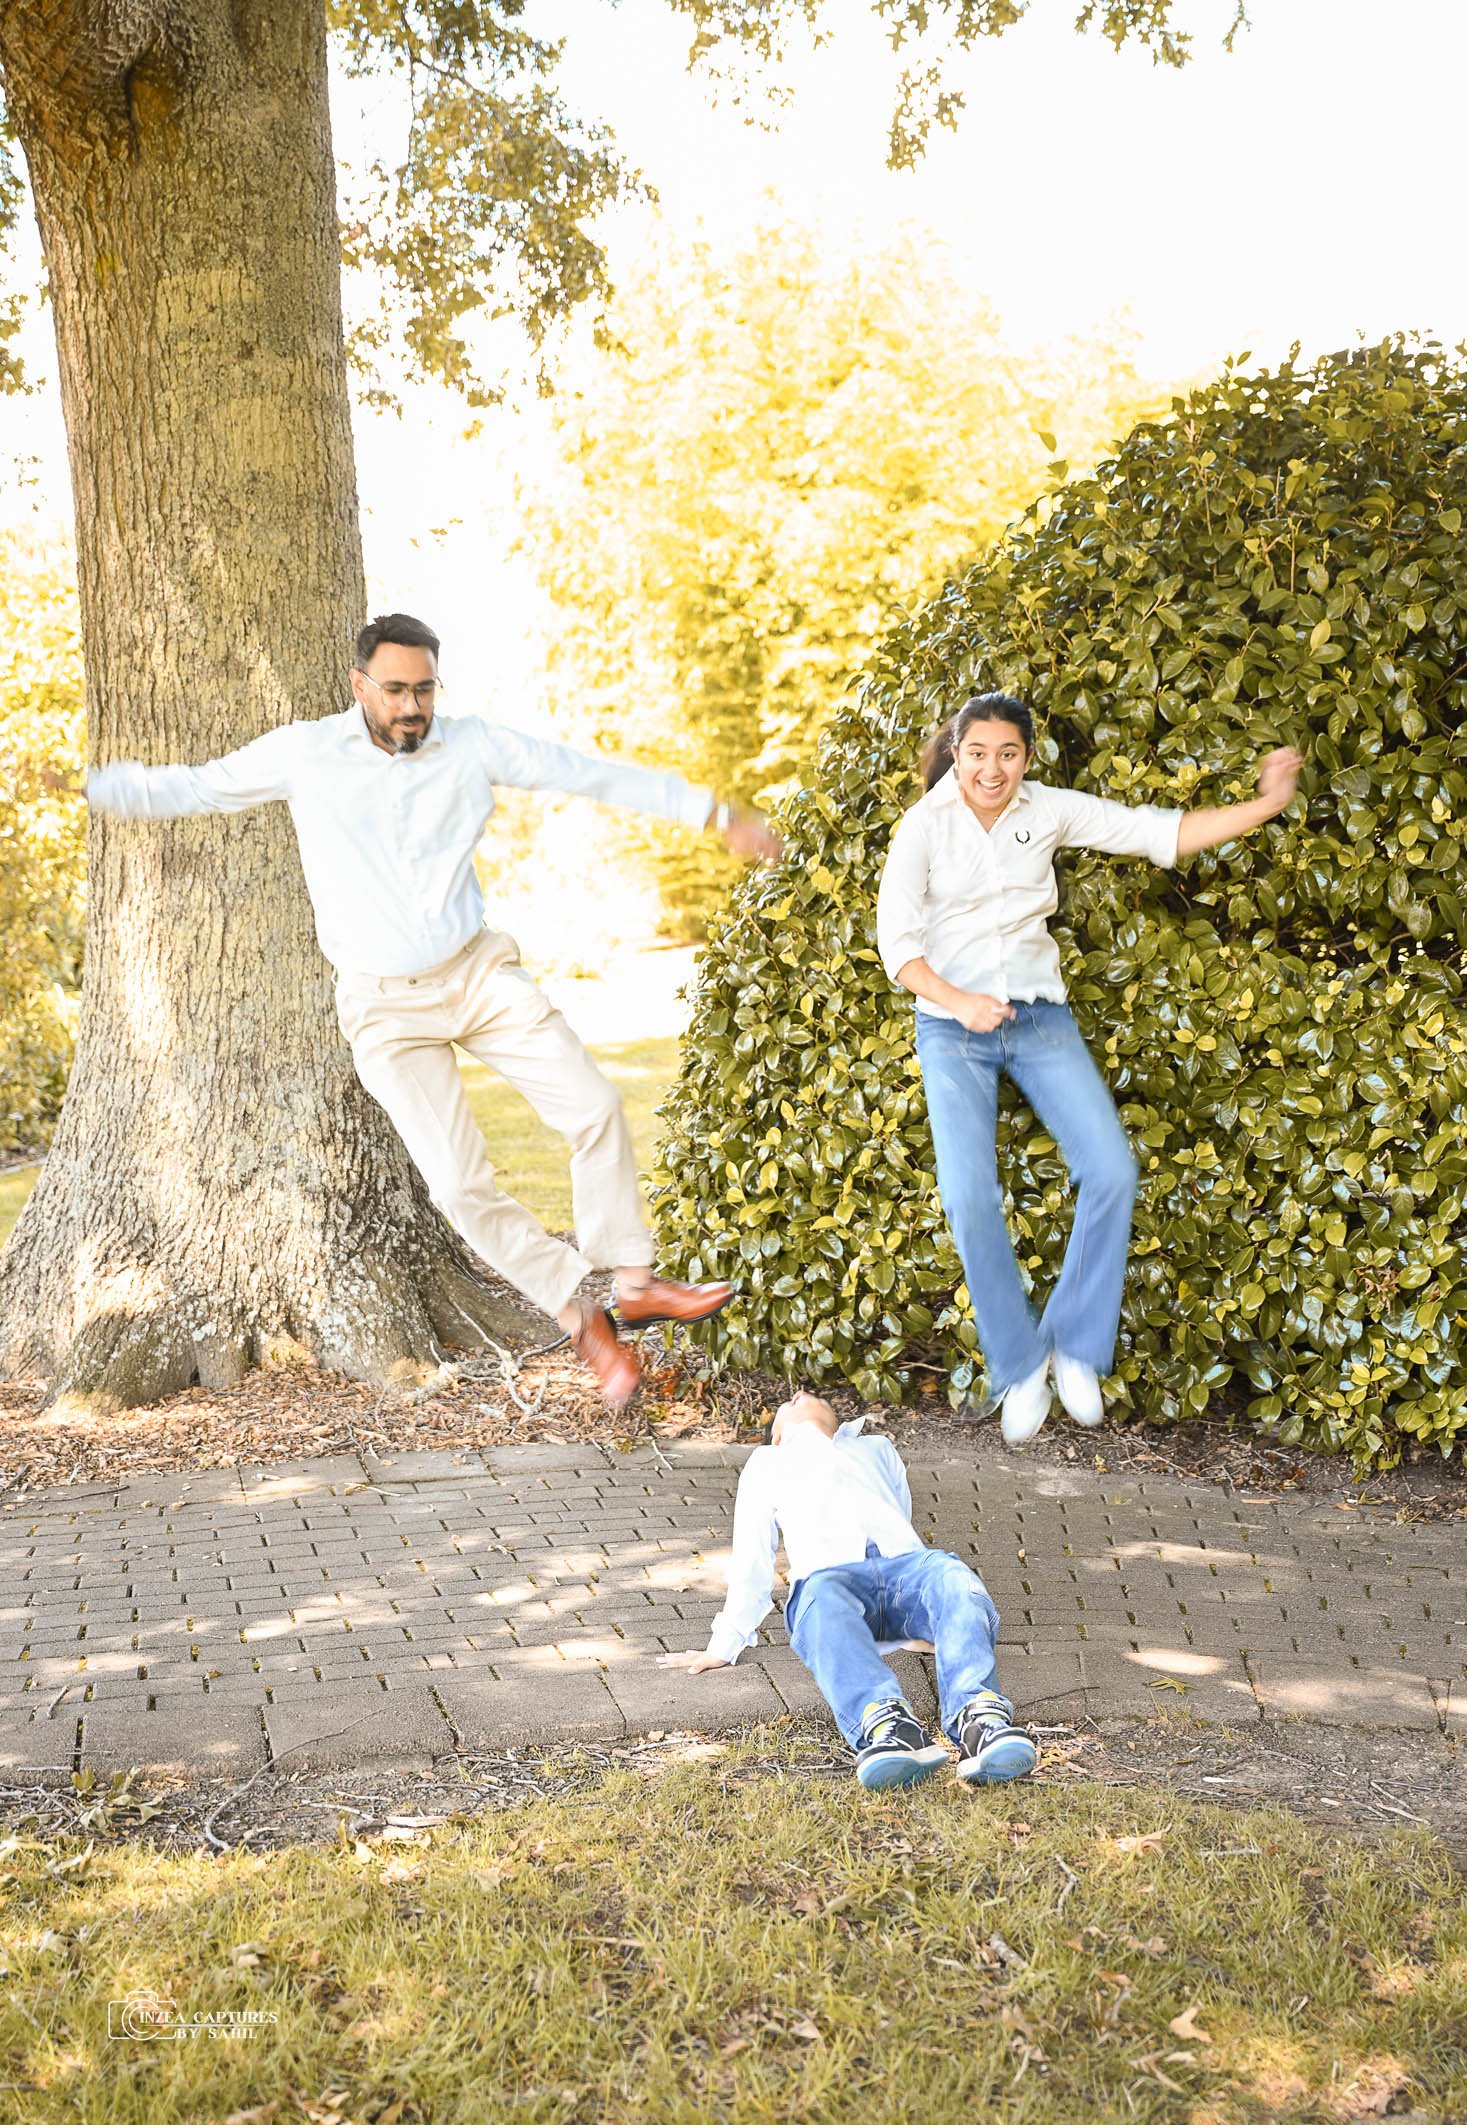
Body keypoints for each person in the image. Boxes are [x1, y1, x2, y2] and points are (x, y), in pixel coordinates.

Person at [86, 611, 781, 1407]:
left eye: (423, 689)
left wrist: (715, 815)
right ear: (359, 687)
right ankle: (579, 1314)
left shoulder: (473, 744)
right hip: (384, 1008)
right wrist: (106, 785)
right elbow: (200, 786)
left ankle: (633, 1279)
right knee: (458, 1186)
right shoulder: (306, 752)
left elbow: (584, 772)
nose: (411, 706)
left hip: (476, 974)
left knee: (592, 1104)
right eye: (394, 690)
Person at [876, 692, 1302, 1447]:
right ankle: (1017, 1363)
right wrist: (956, 1001)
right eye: (976, 752)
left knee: (1110, 1170)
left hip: (1039, 1015)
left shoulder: (1047, 808)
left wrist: (1266, 803)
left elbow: (1154, 831)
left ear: (1026, 759)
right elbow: (896, 945)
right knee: (968, 1194)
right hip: (952, 1027)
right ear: (955, 752)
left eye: (1007, 753)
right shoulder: (923, 826)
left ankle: (1073, 1345)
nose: (991, 768)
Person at [659, 1392, 1036, 1790]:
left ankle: (981, 1722)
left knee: (950, 1572)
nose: (799, 1393)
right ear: (777, 1437)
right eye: (789, 1402)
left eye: (808, 1394)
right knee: (819, 1592)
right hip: (832, 1588)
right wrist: (724, 1644)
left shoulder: (875, 1447)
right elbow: (753, 1559)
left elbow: (899, 1516)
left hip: (904, 1574)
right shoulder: (767, 1463)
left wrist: (927, 1619)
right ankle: (888, 1726)